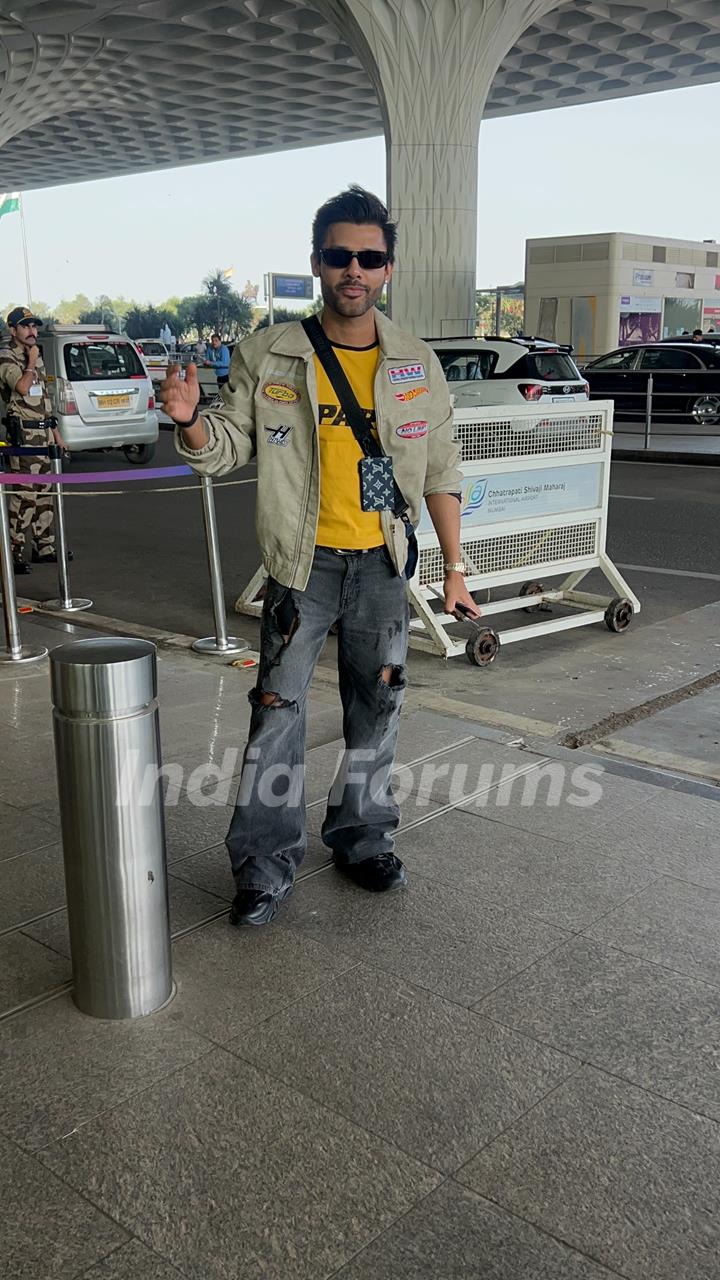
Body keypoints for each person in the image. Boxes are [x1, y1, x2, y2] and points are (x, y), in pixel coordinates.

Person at [161, 184, 478, 927]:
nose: (353, 270)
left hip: (381, 566)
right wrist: (192, 425)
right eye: (340, 256)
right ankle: (265, 867)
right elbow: (229, 445)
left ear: (387, 268)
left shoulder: (414, 362)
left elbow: (440, 471)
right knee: (277, 716)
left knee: (379, 708)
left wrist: (457, 568)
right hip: (301, 570)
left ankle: (362, 838)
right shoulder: (270, 351)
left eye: (369, 257)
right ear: (317, 262)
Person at [0, 307, 65, 573]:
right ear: (12, 330)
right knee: (24, 495)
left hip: (42, 434)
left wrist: (55, 433)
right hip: (23, 436)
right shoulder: (7, 357)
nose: (32, 332)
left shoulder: (35, 357)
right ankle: (13, 552)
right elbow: (23, 388)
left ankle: (44, 547)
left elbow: (43, 399)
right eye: (25, 327)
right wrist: (30, 362)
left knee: (45, 492)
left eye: (34, 327)